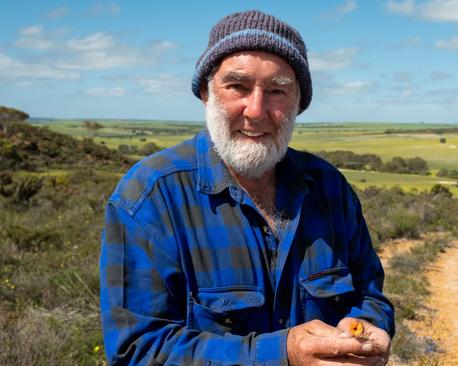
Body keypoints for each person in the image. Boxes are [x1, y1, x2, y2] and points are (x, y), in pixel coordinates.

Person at [99, 9, 394, 365]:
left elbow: (369, 293)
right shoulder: (150, 197)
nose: (256, 111)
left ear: (299, 104)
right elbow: (137, 350)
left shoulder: (329, 187)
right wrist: (282, 354)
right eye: (237, 86)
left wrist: (365, 326)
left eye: (277, 91)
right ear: (206, 94)